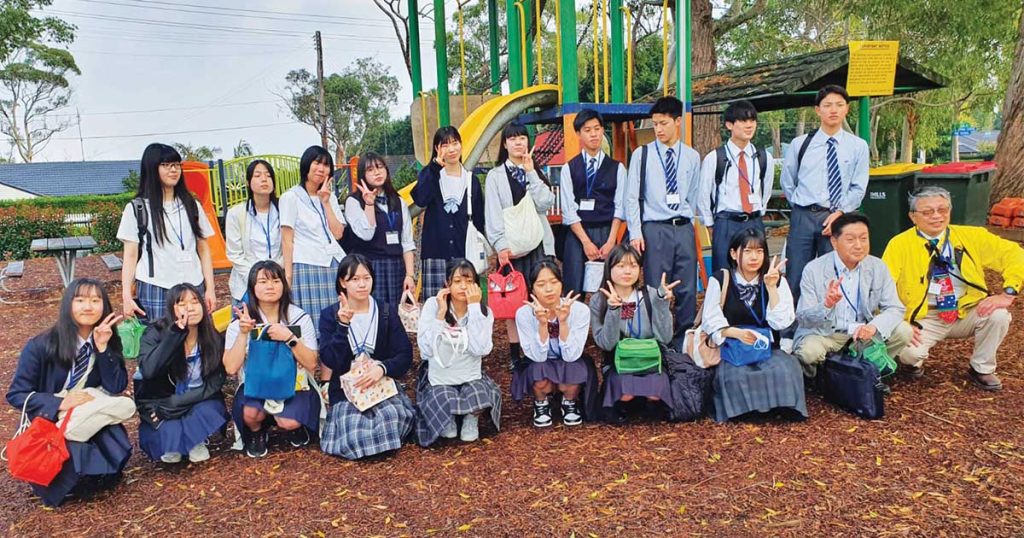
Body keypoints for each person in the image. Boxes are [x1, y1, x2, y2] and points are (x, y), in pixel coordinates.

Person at [882, 186, 1024, 391]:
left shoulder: (971, 236)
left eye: (943, 209)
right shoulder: (899, 244)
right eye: (928, 212)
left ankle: (981, 368)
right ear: (913, 217)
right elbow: (884, 287)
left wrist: (1008, 293)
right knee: (909, 353)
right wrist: (901, 323)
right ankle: (913, 364)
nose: (937, 216)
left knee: (999, 315)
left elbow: (1014, 254)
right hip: (924, 316)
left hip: (964, 309)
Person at [6, 279, 130, 507]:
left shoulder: (107, 339)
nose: (88, 307)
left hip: (88, 411)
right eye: (80, 300)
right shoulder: (41, 345)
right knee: (67, 454)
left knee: (108, 428)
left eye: (95, 300)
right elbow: (16, 394)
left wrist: (103, 349)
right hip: (51, 418)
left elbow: (116, 386)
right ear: (68, 305)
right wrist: (59, 402)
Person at [780, 85, 869, 341]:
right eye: (828, 105)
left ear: (846, 109)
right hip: (804, 216)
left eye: (839, 105)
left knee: (834, 275)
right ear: (817, 110)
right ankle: (790, 331)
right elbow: (788, 181)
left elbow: (858, 185)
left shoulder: (857, 146)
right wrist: (803, 207)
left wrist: (839, 212)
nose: (833, 110)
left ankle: (832, 331)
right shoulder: (801, 144)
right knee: (796, 273)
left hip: (839, 217)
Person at [700, 230, 807, 423]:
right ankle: (744, 412)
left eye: (759, 251)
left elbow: (782, 321)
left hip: (765, 347)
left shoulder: (775, 279)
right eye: (748, 251)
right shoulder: (721, 279)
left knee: (786, 368)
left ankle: (779, 408)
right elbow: (710, 317)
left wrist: (772, 287)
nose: (754, 257)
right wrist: (734, 333)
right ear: (734, 254)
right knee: (734, 374)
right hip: (733, 346)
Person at [319, 254, 416, 460]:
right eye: (354, 279)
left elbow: (405, 354)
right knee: (353, 424)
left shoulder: (386, 312)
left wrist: (382, 368)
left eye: (367, 278)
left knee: (389, 416)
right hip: (346, 390)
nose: (362, 284)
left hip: (380, 385)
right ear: (342, 282)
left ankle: (377, 445)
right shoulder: (330, 315)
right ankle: (373, 446)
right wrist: (342, 325)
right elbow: (330, 359)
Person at [794, 213, 913, 379]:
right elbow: (803, 318)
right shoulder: (814, 269)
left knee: (904, 331)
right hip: (827, 334)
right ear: (834, 242)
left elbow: (894, 307)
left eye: (864, 239)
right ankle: (821, 379)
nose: (859, 245)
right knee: (809, 352)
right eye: (850, 240)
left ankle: (869, 373)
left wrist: (874, 327)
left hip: (862, 333)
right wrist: (826, 305)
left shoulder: (878, 267)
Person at [625, 96, 702, 350]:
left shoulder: (691, 156)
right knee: (655, 286)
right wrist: (635, 232)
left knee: (687, 287)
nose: (658, 129)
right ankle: (657, 340)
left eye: (664, 123)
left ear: (678, 122)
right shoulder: (642, 155)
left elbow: (693, 195)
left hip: (682, 227)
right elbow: (631, 196)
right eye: (655, 123)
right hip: (654, 228)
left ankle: (683, 341)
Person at [224, 260, 320, 458]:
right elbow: (231, 368)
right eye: (262, 282)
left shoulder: (298, 317)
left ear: (284, 285)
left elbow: (311, 363)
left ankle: (293, 425)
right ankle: (257, 432)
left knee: (289, 421)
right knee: (250, 414)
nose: (270, 286)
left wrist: (290, 338)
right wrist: (243, 334)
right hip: (256, 384)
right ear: (252, 287)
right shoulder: (242, 321)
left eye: (276, 281)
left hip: (293, 383)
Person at [117, 143, 216, 321]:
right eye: (166, 165)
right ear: (152, 169)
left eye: (177, 165)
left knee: (196, 341)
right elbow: (130, 255)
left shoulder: (192, 205)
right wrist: (126, 295)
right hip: (156, 287)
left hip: (194, 285)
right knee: (160, 345)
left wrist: (210, 288)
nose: (174, 170)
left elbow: (203, 249)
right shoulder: (137, 208)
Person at [486, 123, 557, 368]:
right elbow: (493, 213)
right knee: (513, 301)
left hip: (538, 244)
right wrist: (500, 245)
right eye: (513, 138)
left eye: (522, 138)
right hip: (510, 249)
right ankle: (516, 353)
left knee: (542, 296)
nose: (518, 143)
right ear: (504, 144)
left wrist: (531, 173)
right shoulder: (495, 176)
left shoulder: (533, 170)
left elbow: (546, 203)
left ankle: (542, 344)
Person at [135, 283, 229, 464]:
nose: (190, 308)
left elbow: (216, 381)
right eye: (181, 303)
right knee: (170, 440)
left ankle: (195, 440)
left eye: (195, 301)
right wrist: (175, 334)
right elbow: (149, 370)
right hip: (165, 400)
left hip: (200, 398)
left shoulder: (212, 337)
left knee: (207, 410)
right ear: (171, 309)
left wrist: (180, 402)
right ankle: (179, 441)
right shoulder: (155, 333)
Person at [415, 259, 501, 446]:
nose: (463, 287)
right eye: (457, 281)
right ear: (447, 284)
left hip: (470, 375)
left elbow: (481, 349)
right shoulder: (433, 305)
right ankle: (448, 416)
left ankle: (471, 417)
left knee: (478, 392)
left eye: (469, 281)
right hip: (441, 376)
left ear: (477, 285)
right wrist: (440, 315)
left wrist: (474, 308)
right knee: (441, 394)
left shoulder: (484, 311)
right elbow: (425, 350)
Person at [590, 244, 677, 423]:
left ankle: (649, 409)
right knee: (625, 391)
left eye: (633, 266)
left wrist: (662, 304)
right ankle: (625, 408)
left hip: (650, 359)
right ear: (609, 268)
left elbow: (665, 338)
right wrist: (613, 310)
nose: (627, 271)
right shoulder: (599, 300)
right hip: (618, 361)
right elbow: (606, 344)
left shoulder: (651, 294)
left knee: (655, 391)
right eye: (621, 266)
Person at [511, 258, 598, 427]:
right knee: (537, 369)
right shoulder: (524, 314)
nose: (549, 289)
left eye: (554, 282)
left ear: (561, 284)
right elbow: (536, 356)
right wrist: (543, 324)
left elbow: (571, 355)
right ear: (533, 289)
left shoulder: (579, 310)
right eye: (541, 284)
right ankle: (541, 402)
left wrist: (563, 322)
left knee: (574, 367)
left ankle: (570, 401)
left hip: (568, 360)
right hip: (541, 362)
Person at [698, 100, 774, 273]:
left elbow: (766, 190)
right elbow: (703, 194)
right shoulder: (715, 157)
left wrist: (758, 213)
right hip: (726, 223)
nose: (749, 125)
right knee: (725, 274)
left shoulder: (763, 157)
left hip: (754, 221)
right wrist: (711, 225)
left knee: (756, 272)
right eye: (742, 121)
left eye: (752, 121)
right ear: (729, 125)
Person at [411, 126, 485, 300]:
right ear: (437, 149)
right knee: (436, 305)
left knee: (467, 305)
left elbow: (479, 219)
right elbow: (420, 199)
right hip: (436, 253)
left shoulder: (470, 179)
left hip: (464, 253)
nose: (451, 149)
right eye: (444, 145)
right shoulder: (430, 174)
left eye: (455, 143)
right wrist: (435, 167)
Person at [280, 145, 347, 338]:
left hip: (333, 263)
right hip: (307, 266)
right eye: (317, 163)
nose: (321, 169)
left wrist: (325, 202)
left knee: (335, 321)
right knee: (310, 323)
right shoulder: (290, 197)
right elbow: (287, 240)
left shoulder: (329, 196)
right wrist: (288, 277)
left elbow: (338, 233)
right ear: (306, 166)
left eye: (326, 165)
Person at [559, 108, 627, 295]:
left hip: (607, 231)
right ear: (579, 134)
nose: (593, 134)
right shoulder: (569, 169)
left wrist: (611, 240)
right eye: (587, 130)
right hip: (577, 234)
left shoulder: (617, 168)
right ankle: (572, 324)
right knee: (573, 288)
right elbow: (568, 209)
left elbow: (620, 207)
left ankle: (607, 323)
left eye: (597, 129)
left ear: (603, 130)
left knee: (609, 287)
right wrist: (586, 242)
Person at [342, 152, 416, 310]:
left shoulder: (398, 201)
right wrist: (369, 204)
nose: (377, 172)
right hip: (370, 268)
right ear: (362, 174)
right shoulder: (354, 202)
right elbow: (366, 234)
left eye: (380, 167)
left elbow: (407, 242)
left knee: (397, 315)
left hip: (396, 267)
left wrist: (409, 275)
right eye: (370, 169)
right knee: (374, 313)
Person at [225, 159, 282, 308]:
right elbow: (234, 254)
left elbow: (290, 246)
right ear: (248, 182)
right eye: (257, 175)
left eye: (268, 175)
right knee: (248, 328)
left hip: (278, 282)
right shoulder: (236, 214)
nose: (264, 179)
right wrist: (257, 277)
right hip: (246, 284)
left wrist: (275, 274)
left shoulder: (284, 210)